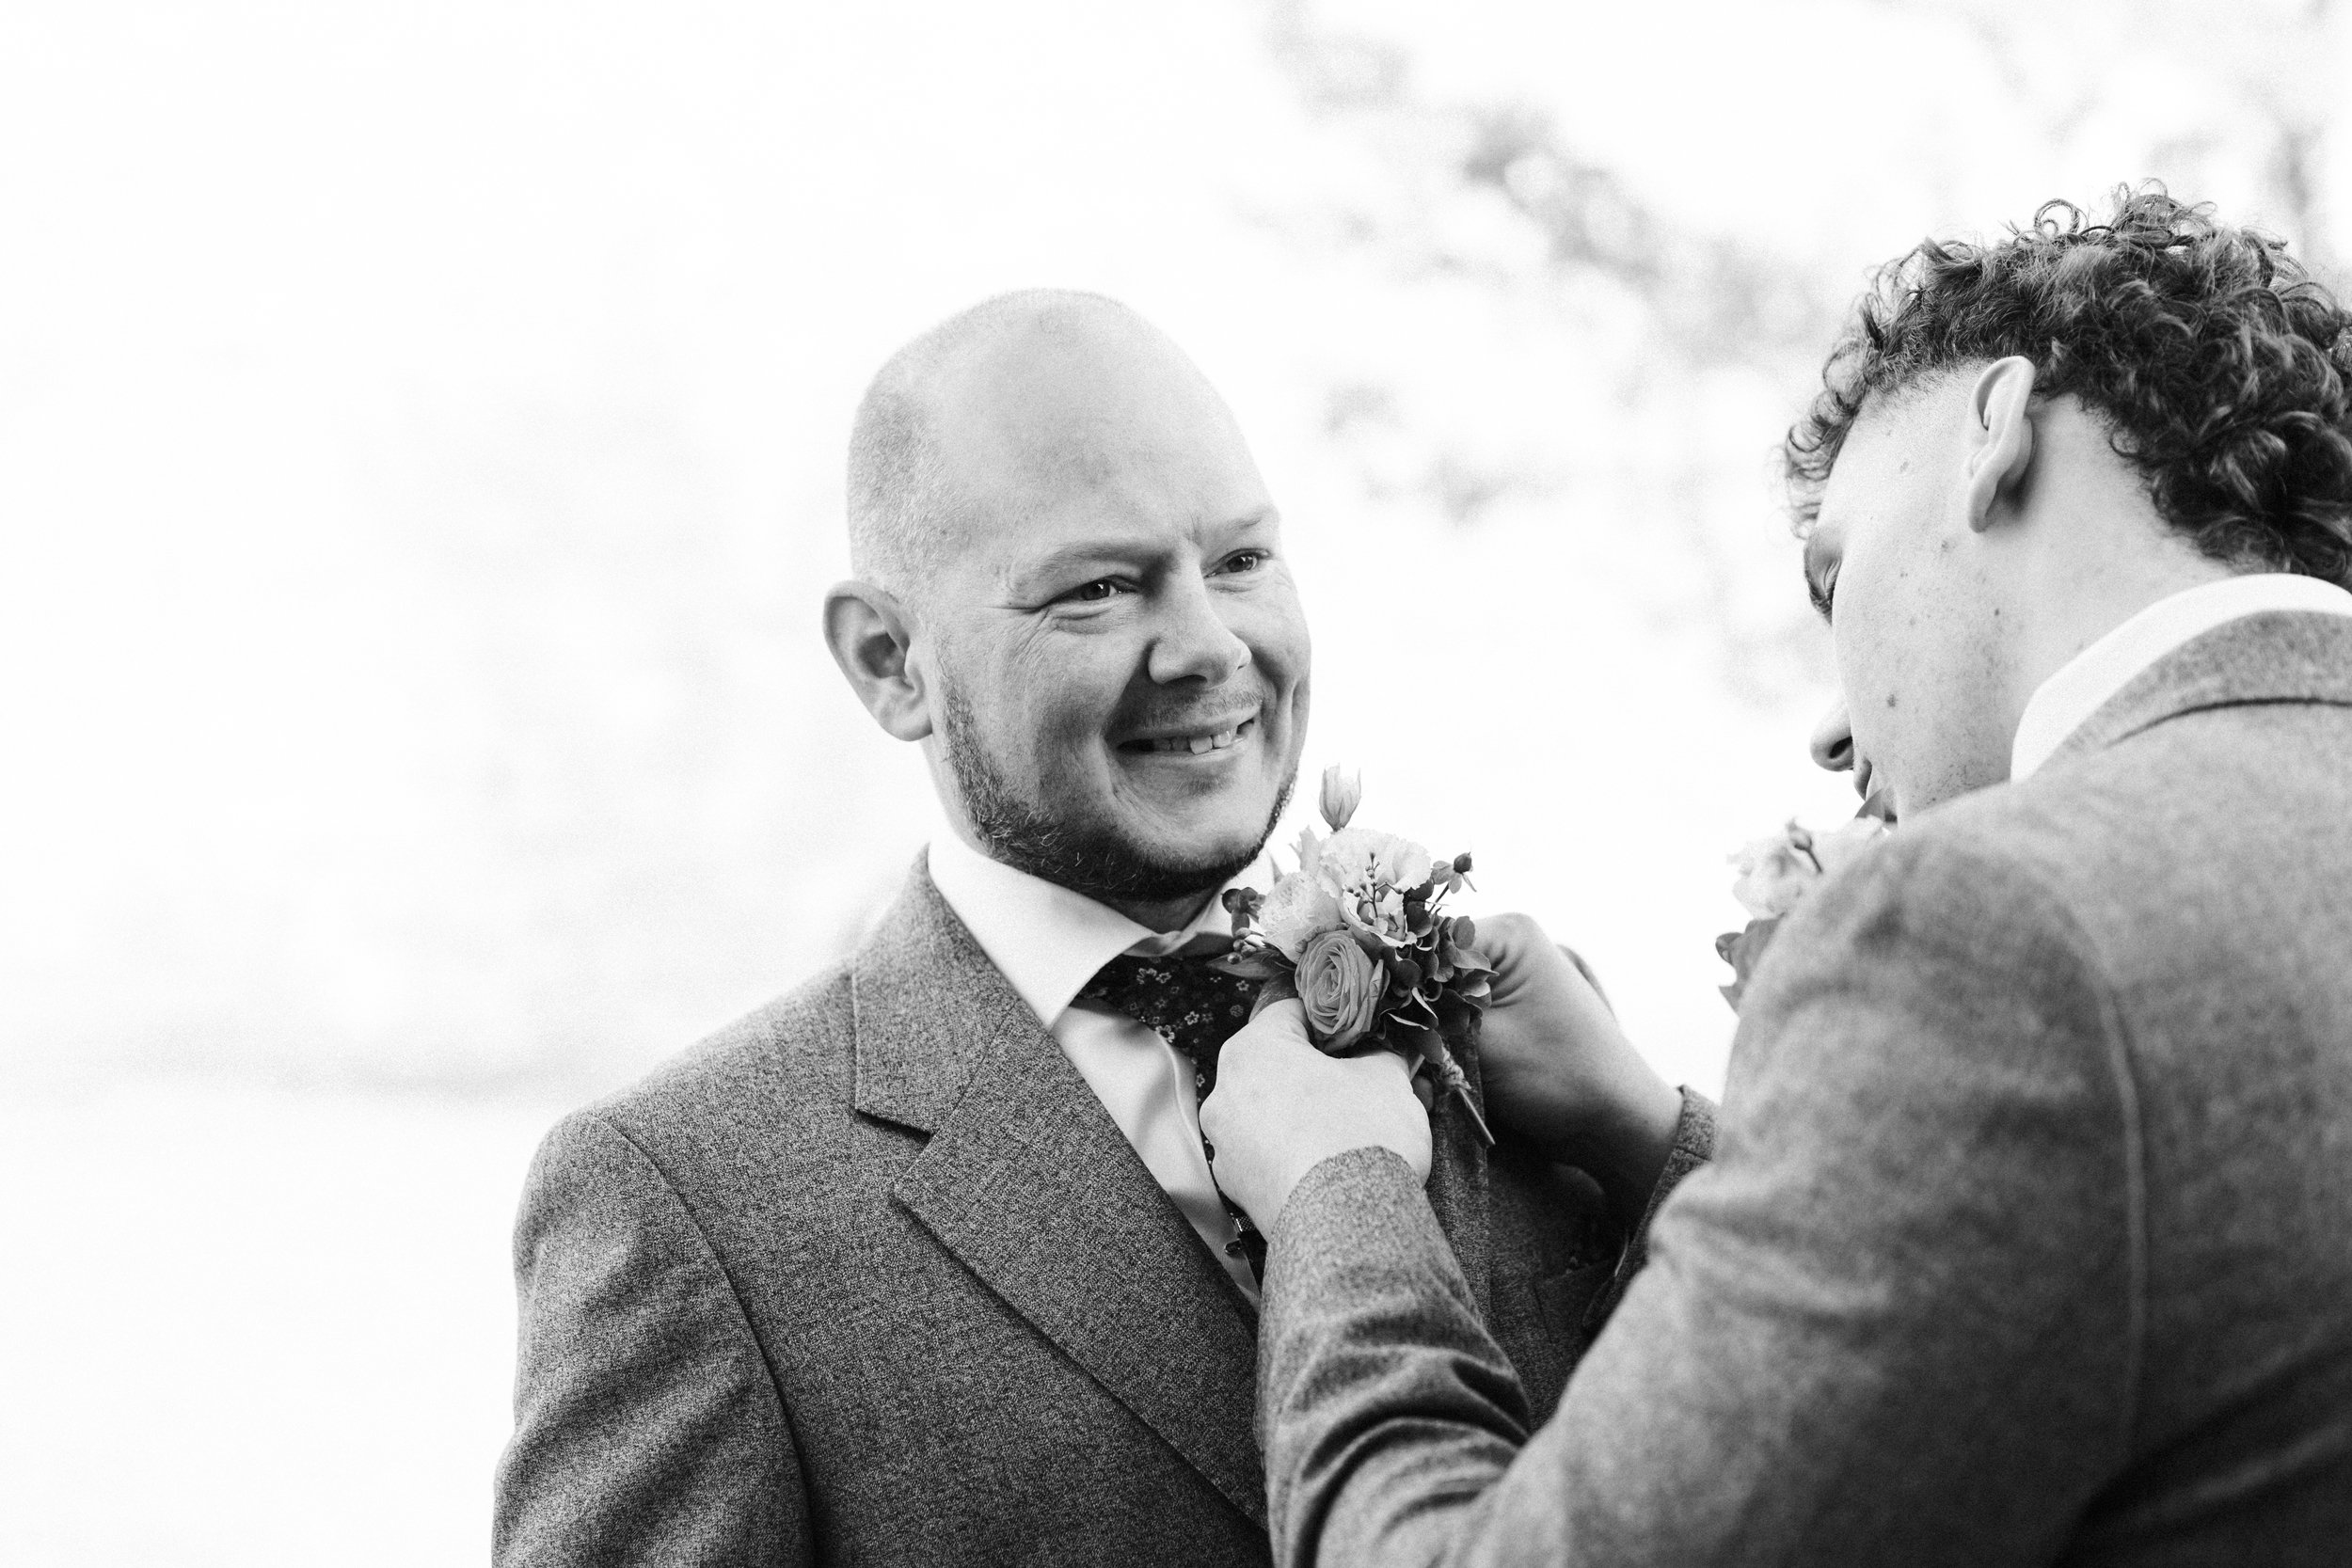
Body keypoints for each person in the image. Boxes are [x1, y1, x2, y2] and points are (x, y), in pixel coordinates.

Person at [1201, 188, 2352, 1566]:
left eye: (1833, 572)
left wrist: (1340, 1193)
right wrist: (1650, 1138)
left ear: (1994, 429)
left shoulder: (1991, 930)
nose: (1831, 730)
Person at [493, 289, 1714, 1566]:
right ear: (889, 661)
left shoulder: (1526, 1035)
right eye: (1099, 589)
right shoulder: (694, 1201)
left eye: (1241, 560)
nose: (1208, 647)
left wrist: (1652, 1141)